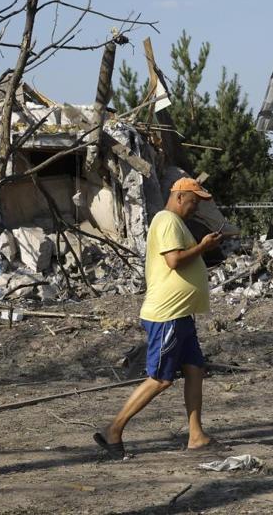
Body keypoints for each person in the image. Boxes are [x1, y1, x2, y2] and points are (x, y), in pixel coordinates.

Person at [94, 177, 223, 458]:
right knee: (161, 378)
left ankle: (196, 435)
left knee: (194, 370)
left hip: (181, 315)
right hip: (168, 315)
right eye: (193, 202)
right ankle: (113, 429)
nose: (195, 208)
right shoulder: (166, 220)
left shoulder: (175, 223)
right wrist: (202, 247)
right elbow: (174, 260)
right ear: (179, 197)